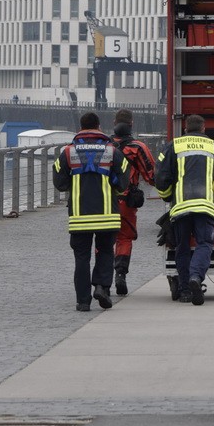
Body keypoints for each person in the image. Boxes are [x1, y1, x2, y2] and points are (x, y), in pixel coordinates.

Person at [53, 112, 130, 311]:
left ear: (81, 127)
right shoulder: (112, 151)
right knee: (105, 253)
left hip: (80, 216)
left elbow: (60, 183)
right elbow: (123, 184)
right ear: (98, 127)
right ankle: (102, 287)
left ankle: (83, 302)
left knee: (81, 258)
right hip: (108, 215)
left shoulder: (68, 152)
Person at [155, 114, 214, 306]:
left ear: (185, 128)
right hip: (204, 205)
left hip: (180, 206)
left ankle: (185, 291)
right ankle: (196, 277)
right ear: (204, 128)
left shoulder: (173, 145)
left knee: (182, 247)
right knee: (204, 243)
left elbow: (162, 177)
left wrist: (166, 195)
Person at [110, 108, 157, 296]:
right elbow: (152, 176)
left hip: (102, 201)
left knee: (103, 239)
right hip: (125, 201)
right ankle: (120, 274)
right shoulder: (137, 147)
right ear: (131, 124)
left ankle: (101, 281)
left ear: (114, 124)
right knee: (124, 238)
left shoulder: (105, 145)